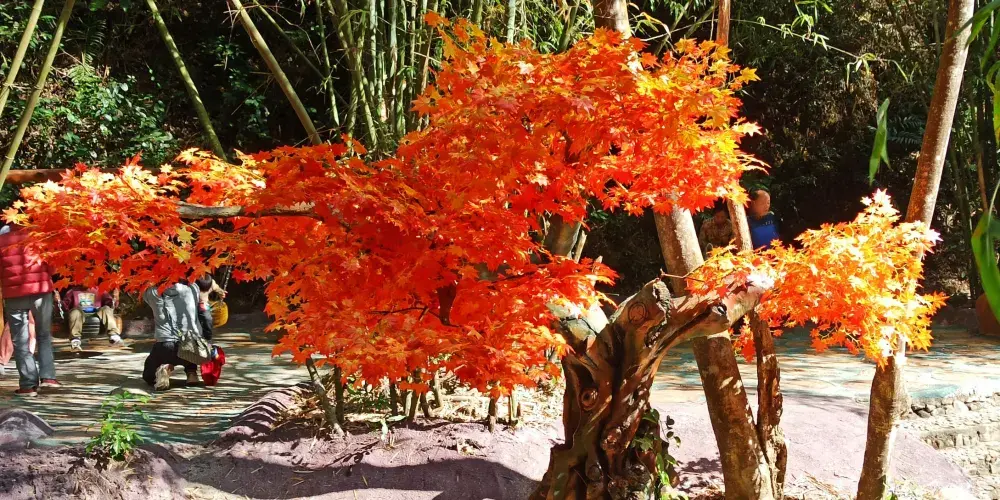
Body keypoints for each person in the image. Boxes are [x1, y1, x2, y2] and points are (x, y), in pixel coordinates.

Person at [0, 224, 58, 397]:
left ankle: (27, 385)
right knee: (44, 335)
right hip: (41, 290)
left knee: (20, 341)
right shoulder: (40, 237)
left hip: (14, 294)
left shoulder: (1, 240)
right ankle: (48, 378)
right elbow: (53, 267)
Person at [142, 280, 203, 391]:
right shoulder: (193, 287)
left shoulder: (152, 292)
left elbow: (145, 295)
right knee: (189, 343)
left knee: (148, 376)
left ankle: (166, 366)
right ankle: (192, 373)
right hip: (191, 346)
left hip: (165, 345)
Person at [58, 285, 122, 350]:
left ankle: (113, 334)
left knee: (106, 309)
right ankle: (75, 339)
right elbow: (65, 307)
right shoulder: (73, 291)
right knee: (75, 311)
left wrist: (115, 299)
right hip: (79, 314)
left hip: (96, 314)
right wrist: (58, 301)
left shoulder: (100, 290)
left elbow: (110, 305)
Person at [194, 274, 226, 343]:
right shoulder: (192, 283)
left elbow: (217, 288)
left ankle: (208, 337)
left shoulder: (212, 282)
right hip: (191, 303)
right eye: (202, 291)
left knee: (208, 319)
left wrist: (221, 292)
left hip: (203, 303)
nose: (204, 292)